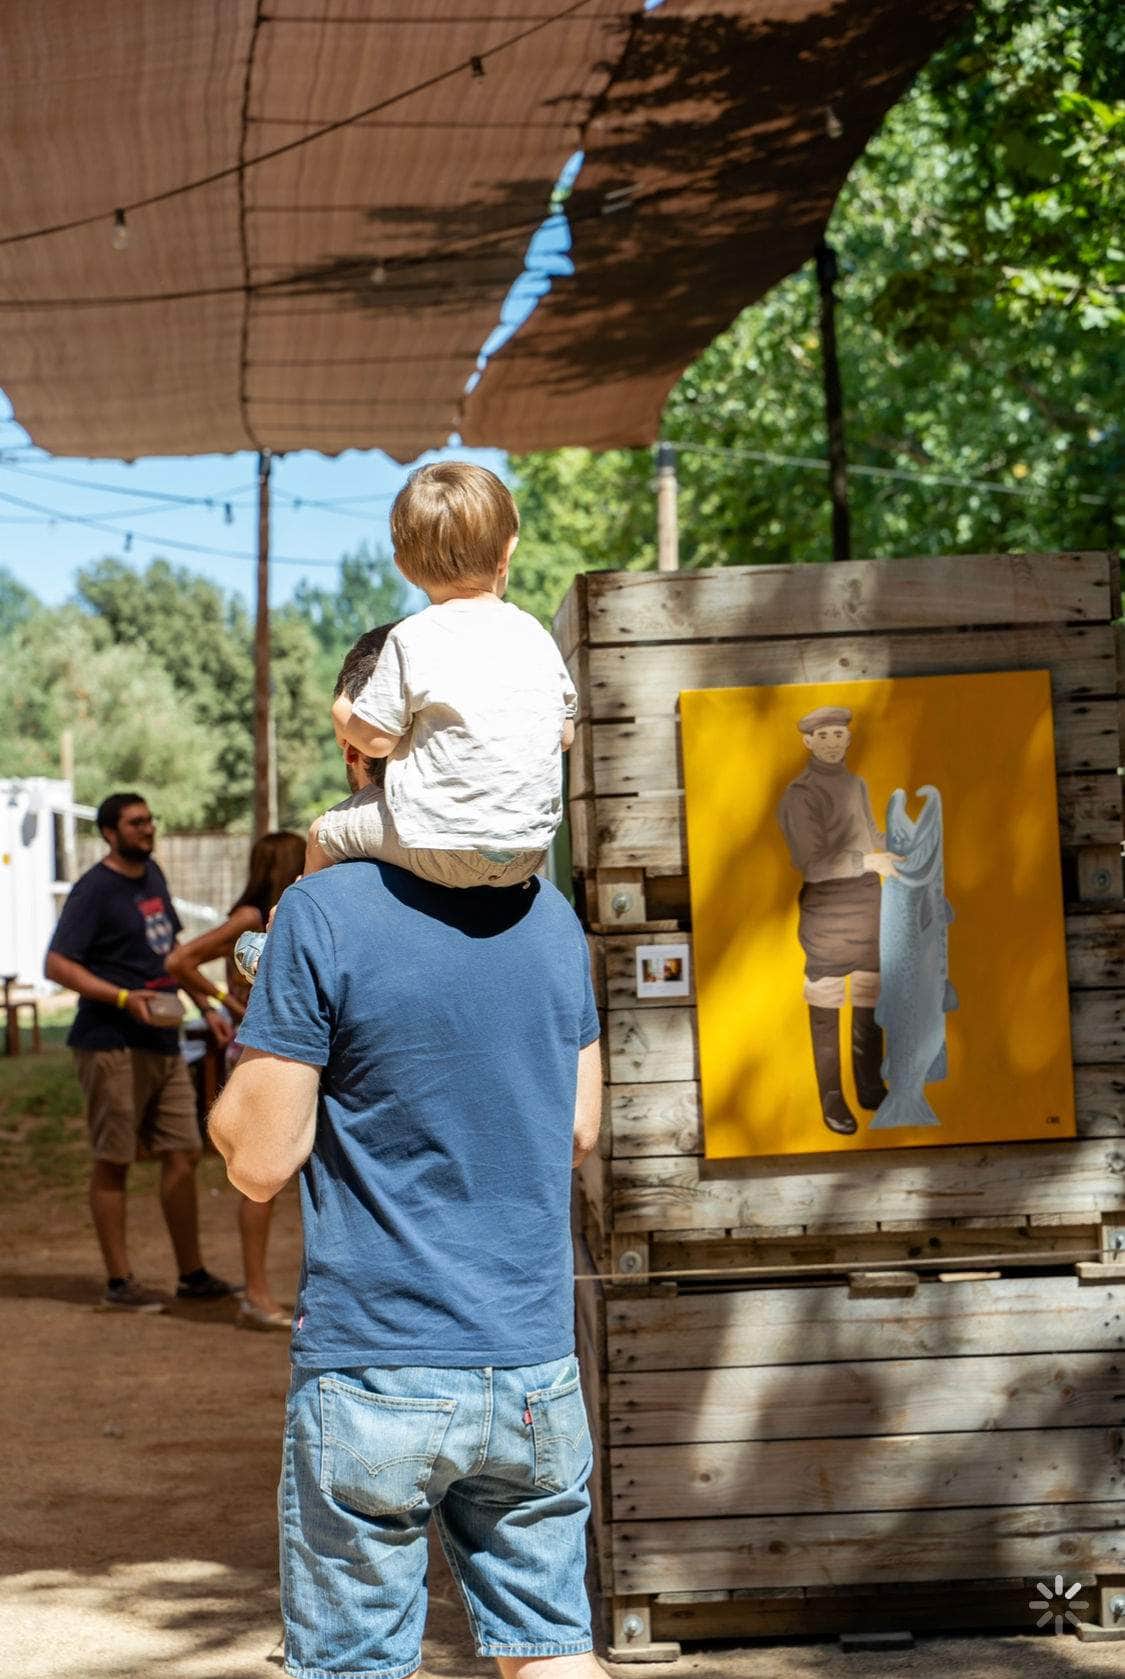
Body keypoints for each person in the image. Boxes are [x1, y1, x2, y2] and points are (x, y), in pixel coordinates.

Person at [208, 625, 606, 1679]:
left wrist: (251, 1055)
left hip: (377, 1361)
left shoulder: (322, 911)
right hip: (531, 1362)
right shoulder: (553, 918)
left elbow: (259, 1157)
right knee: (554, 1652)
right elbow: (579, 1128)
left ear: (364, 752)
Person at [308, 461, 577, 889]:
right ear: (508, 551)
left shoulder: (412, 638)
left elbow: (376, 740)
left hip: (439, 850)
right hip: (529, 852)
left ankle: (287, 921)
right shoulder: (535, 635)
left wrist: (342, 712)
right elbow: (564, 737)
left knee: (324, 832)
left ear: (404, 568)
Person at [44, 792, 235, 1311]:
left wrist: (206, 1008)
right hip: (111, 1043)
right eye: (135, 823)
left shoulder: (152, 876)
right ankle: (119, 1282)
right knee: (115, 1159)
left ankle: (191, 1274)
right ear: (110, 832)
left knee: (184, 1151)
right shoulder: (94, 890)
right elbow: (57, 965)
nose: (147, 829)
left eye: (150, 820)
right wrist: (124, 998)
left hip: (164, 1040)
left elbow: (173, 957)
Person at [165, 830, 306, 1330]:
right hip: (254, 1049)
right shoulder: (250, 918)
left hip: (277, 1047)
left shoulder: (285, 917)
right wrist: (223, 1005)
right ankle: (256, 1292)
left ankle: (267, 1292)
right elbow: (179, 961)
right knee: (259, 1177)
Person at [777, 707, 902, 1136]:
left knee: (870, 993)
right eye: (824, 734)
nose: (833, 741)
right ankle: (832, 1098)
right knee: (827, 998)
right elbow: (812, 864)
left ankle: (870, 1086)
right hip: (828, 908)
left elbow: (869, 836)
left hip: (867, 901)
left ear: (849, 739)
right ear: (808, 741)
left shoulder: (855, 784)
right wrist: (871, 859)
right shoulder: (801, 793)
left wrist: (901, 848)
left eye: (839, 733)